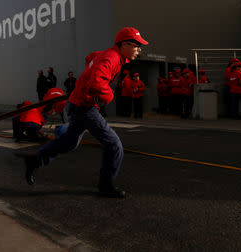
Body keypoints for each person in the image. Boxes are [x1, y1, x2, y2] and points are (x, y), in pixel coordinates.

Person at [23, 27, 148, 198]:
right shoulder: (111, 58)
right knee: (114, 145)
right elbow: (96, 83)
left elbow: (90, 58)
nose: (139, 49)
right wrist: (108, 95)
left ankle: (35, 160)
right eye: (136, 45)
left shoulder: (108, 55)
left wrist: (86, 77)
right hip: (84, 106)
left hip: (78, 103)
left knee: (69, 142)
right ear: (124, 44)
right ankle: (106, 185)